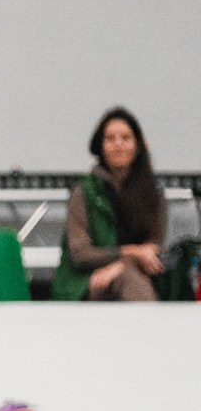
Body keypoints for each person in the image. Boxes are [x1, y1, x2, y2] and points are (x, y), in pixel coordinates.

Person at [52, 107, 166, 302]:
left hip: (132, 276)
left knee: (129, 277)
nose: (118, 145)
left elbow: (154, 249)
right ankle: (151, 331)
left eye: (125, 138)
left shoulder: (153, 193)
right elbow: (80, 254)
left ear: (138, 144)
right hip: (85, 282)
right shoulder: (84, 191)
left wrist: (121, 266)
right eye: (110, 138)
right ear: (100, 146)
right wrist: (130, 253)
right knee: (128, 278)